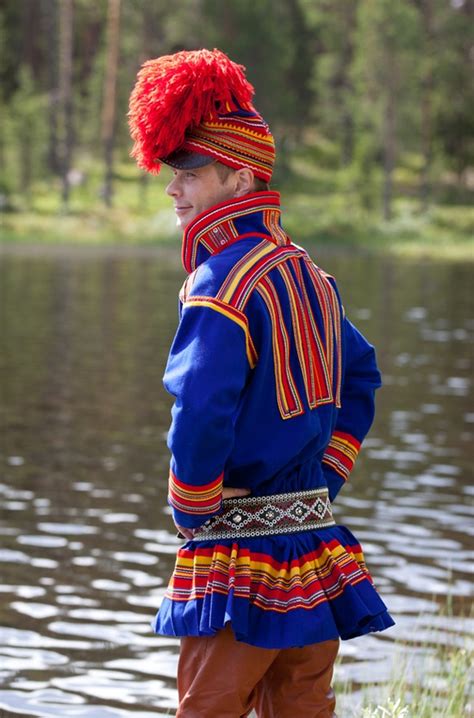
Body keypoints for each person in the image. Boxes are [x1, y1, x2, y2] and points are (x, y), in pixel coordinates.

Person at [128, 48, 394, 718]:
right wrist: (325, 477)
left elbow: (200, 412)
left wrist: (191, 506)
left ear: (240, 176)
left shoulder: (218, 285)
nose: (173, 188)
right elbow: (361, 377)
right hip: (313, 555)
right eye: (173, 170)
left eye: (189, 172)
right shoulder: (311, 274)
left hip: (237, 564)